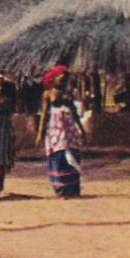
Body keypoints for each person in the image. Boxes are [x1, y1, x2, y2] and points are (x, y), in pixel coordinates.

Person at [35, 66, 86, 198]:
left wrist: (81, 129)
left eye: (65, 78)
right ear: (53, 78)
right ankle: (61, 189)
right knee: (58, 154)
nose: (63, 80)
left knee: (73, 154)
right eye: (61, 77)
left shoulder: (69, 94)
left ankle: (73, 189)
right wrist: (40, 133)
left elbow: (74, 113)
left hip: (69, 127)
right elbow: (44, 114)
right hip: (55, 128)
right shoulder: (48, 94)